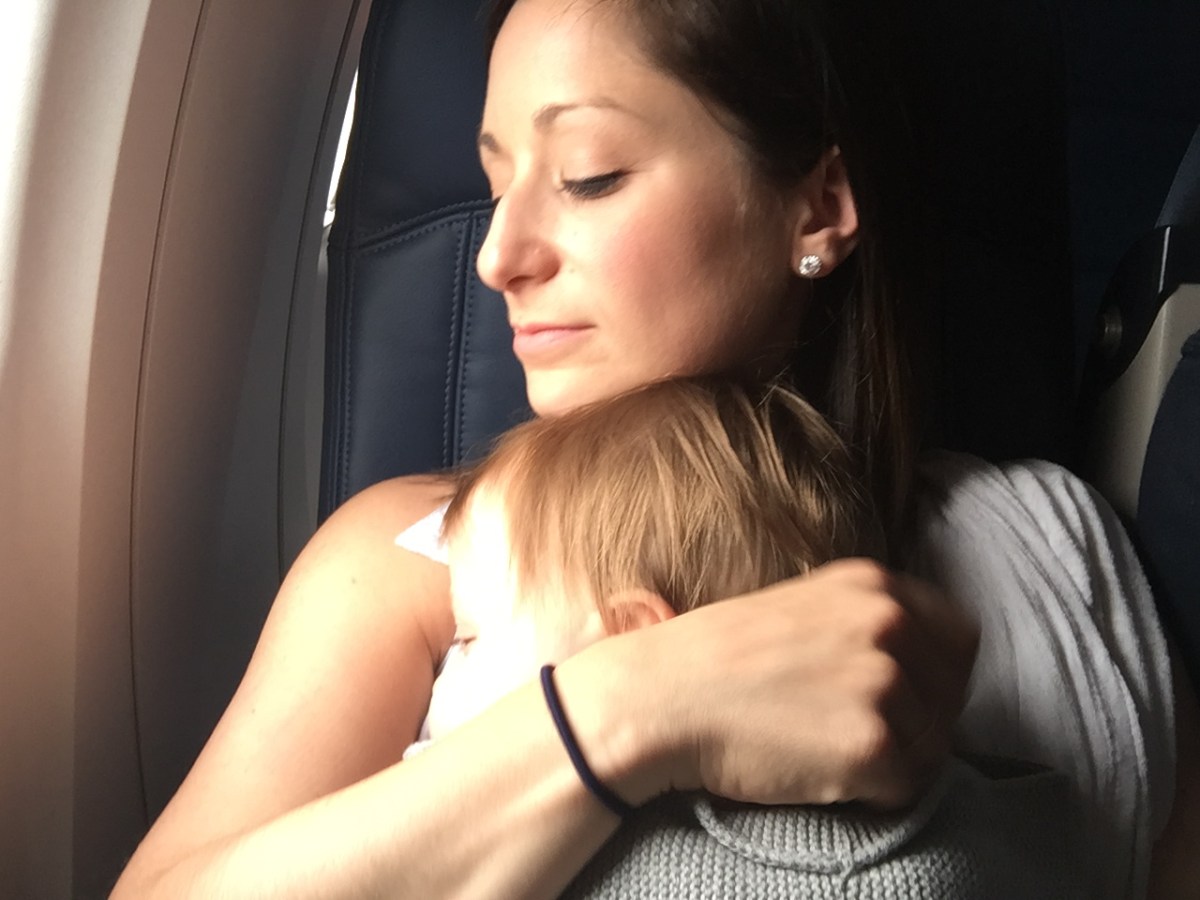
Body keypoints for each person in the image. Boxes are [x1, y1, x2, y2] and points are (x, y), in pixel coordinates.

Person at [111, 0, 1200, 897]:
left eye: (587, 175)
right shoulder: (415, 558)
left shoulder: (1056, 548)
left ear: (818, 207)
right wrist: (636, 707)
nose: (497, 254)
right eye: (495, 184)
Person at [402, 374, 1082, 899]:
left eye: (469, 638)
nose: (440, 675)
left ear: (632, 644)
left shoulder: (581, 858)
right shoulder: (1000, 812)